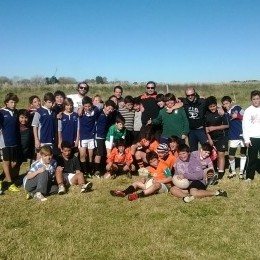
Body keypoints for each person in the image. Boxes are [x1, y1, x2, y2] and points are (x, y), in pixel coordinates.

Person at [221, 95, 247, 179]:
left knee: (243, 153)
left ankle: (241, 172)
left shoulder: (238, 108)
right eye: (224, 104)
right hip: (233, 136)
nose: (226, 105)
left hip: (243, 135)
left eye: (227, 103)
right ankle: (233, 172)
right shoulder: (225, 113)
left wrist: (238, 116)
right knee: (231, 155)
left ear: (231, 102)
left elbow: (247, 116)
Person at [204, 96, 229, 179]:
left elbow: (226, 125)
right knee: (214, 155)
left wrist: (214, 128)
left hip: (222, 136)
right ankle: (215, 169)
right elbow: (206, 129)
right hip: (212, 138)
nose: (212, 108)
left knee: (221, 154)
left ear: (216, 105)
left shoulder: (221, 113)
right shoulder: (206, 115)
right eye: (210, 107)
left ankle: (221, 172)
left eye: (214, 106)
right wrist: (209, 139)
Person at [0, 93, 20, 193]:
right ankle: (9, 183)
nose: (13, 104)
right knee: (6, 162)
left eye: (15, 102)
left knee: (15, 162)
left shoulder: (16, 112)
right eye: (11, 102)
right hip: (4, 141)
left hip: (14, 141)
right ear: (6, 102)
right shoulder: (2, 112)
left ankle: (0, 178)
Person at [179, 87, 208, 152]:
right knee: (193, 151)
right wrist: (172, 108)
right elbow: (176, 101)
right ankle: (195, 162)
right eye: (188, 95)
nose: (190, 97)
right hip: (191, 131)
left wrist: (219, 108)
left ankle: (207, 162)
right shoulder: (185, 101)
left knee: (206, 149)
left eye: (192, 95)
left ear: (195, 93)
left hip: (201, 130)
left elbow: (212, 105)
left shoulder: (202, 101)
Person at [93, 99, 116, 177]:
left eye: (112, 109)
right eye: (108, 108)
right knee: (99, 153)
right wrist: (101, 104)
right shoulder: (99, 112)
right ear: (105, 106)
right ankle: (96, 171)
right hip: (98, 136)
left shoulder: (109, 116)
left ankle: (104, 170)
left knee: (104, 153)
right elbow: (94, 109)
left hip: (105, 137)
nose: (110, 110)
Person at [78, 96, 100, 177]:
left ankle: (91, 171)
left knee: (90, 155)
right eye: (85, 106)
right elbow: (77, 112)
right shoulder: (80, 112)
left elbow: (100, 105)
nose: (87, 108)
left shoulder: (95, 110)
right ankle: (84, 171)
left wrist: (93, 101)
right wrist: (80, 107)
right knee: (83, 155)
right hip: (82, 137)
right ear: (83, 106)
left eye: (89, 106)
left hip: (91, 137)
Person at [242, 90, 260, 182]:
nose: (256, 101)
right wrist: (247, 139)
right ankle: (249, 176)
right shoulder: (248, 111)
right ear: (251, 100)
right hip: (253, 138)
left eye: (257, 99)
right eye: (254, 99)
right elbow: (245, 126)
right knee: (252, 158)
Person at [31, 92, 56, 159]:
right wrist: (36, 140)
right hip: (41, 140)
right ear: (45, 101)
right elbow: (35, 126)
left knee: (49, 159)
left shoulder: (53, 112)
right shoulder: (39, 111)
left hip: (51, 140)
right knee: (39, 160)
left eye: (52, 102)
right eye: (49, 102)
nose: (51, 104)